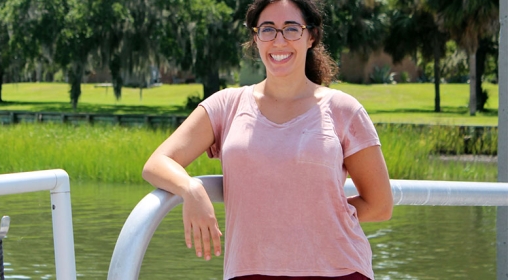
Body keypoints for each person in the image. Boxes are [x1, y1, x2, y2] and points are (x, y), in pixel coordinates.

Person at [142, 0, 393, 279]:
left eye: (291, 29)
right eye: (268, 29)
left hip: (339, 269)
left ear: (311, 36)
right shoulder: (227, 105)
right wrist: (190, 189)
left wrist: (308, 216)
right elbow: (157, 162)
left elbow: (380, 204)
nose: (279, 40)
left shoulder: (344, 110)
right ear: (255, 38)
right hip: (249, 270)